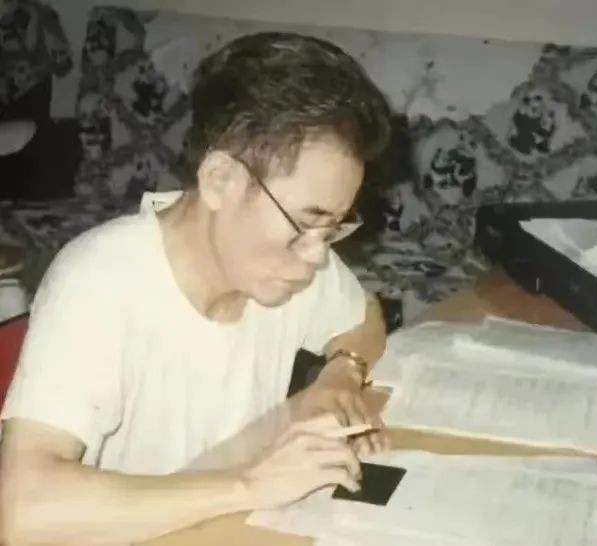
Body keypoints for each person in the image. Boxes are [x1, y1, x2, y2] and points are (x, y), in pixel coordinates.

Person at [0, 32, 392, 545]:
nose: (318, 254)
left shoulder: (289, 263)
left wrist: (339, 375)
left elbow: (364, 316)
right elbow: (21, 510)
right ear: (220, 179)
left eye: (333, 227)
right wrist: (250, 484)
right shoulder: (102, 281)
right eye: (305, 222)